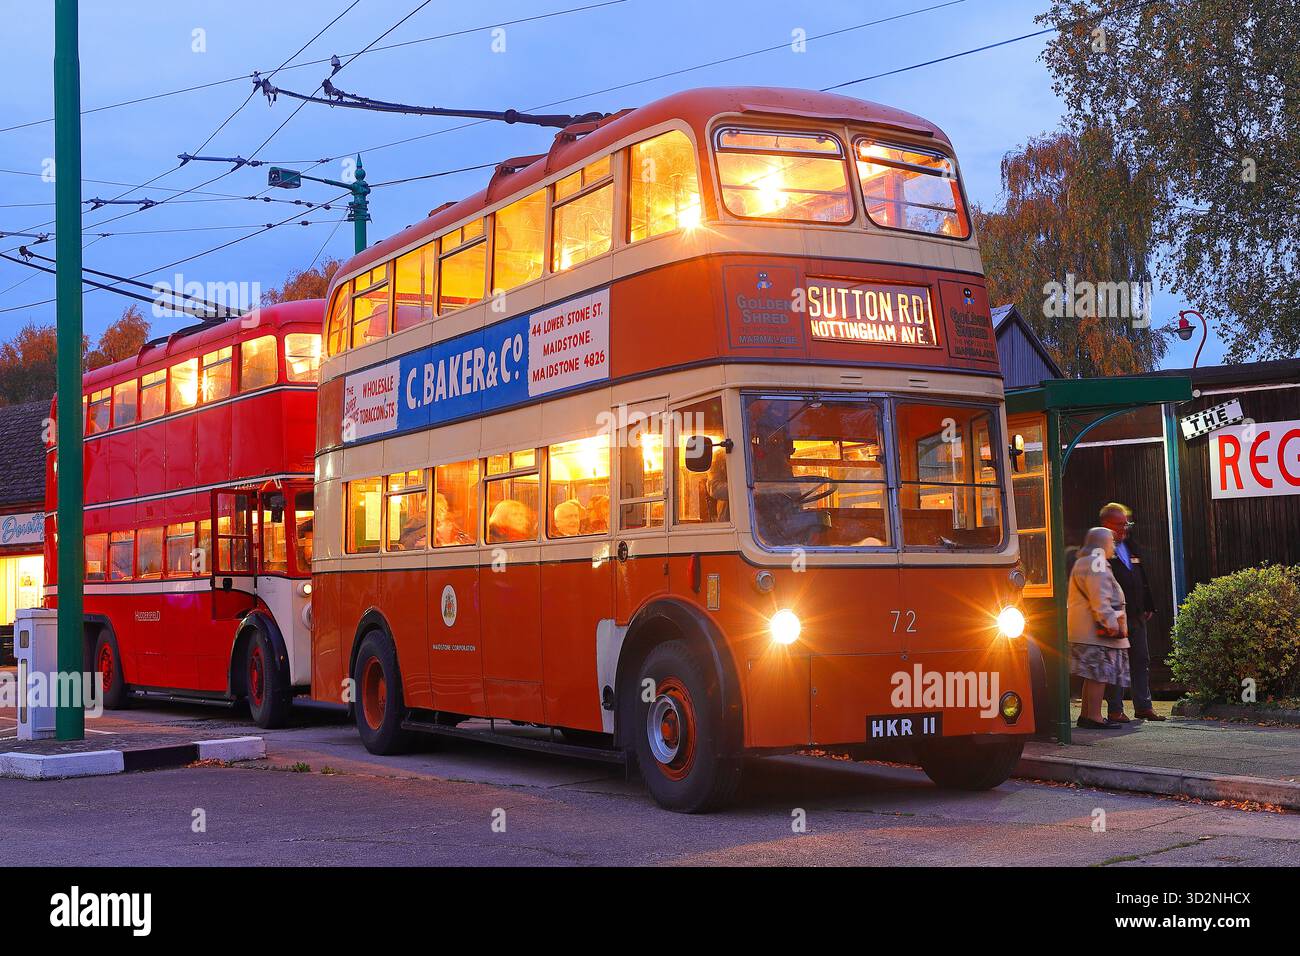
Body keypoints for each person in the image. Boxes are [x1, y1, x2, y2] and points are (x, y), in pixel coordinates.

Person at [1099, 502, 1165, 722]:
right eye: (1119, 525)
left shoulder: (1130, 544)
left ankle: (1143, 706)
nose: (1124, 529)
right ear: (1105, 524)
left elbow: (1141, 577)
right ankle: (1115, 709)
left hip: (1136, 613)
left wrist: (1148, 605)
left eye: (1126, 524)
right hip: (1116, 614)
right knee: (1117, 661)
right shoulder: (1101, 550)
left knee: (1140, 659)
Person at [1067, 526, 1130, 730]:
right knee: (1099, 675)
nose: (1114, 545)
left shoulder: (1083, 561)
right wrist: (1112, 624)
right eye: (1111, 541)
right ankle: (1094, 716)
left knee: (1092, 675)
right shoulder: (1097, 563)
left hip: (1082, 630)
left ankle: (1086, 715)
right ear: (1102, 543)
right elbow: (1100, 599)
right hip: (1095, 632)